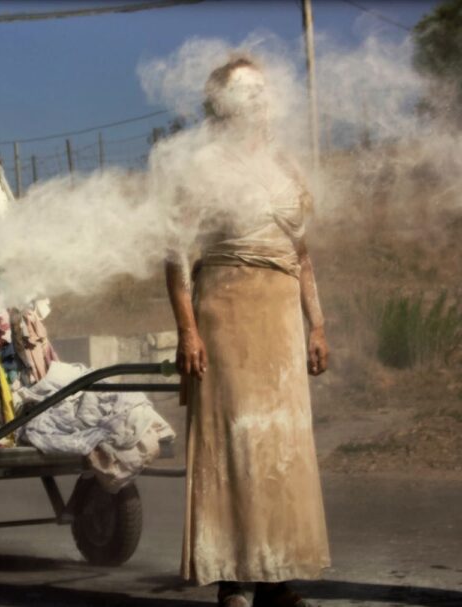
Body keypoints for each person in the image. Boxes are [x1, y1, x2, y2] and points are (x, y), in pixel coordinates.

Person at [164, 55, 331, 607]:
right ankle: (232, 578)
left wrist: (317, 326)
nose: (257, 101)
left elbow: (302, 256)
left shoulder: (286, 165)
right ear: (221, 104)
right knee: (235, 444)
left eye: (262, 91)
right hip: (226, 313)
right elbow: (175, 255)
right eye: (245, 92)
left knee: (280, 445)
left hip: (281, 320)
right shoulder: (202, 167)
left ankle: (275, 576)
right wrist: (188, 331)